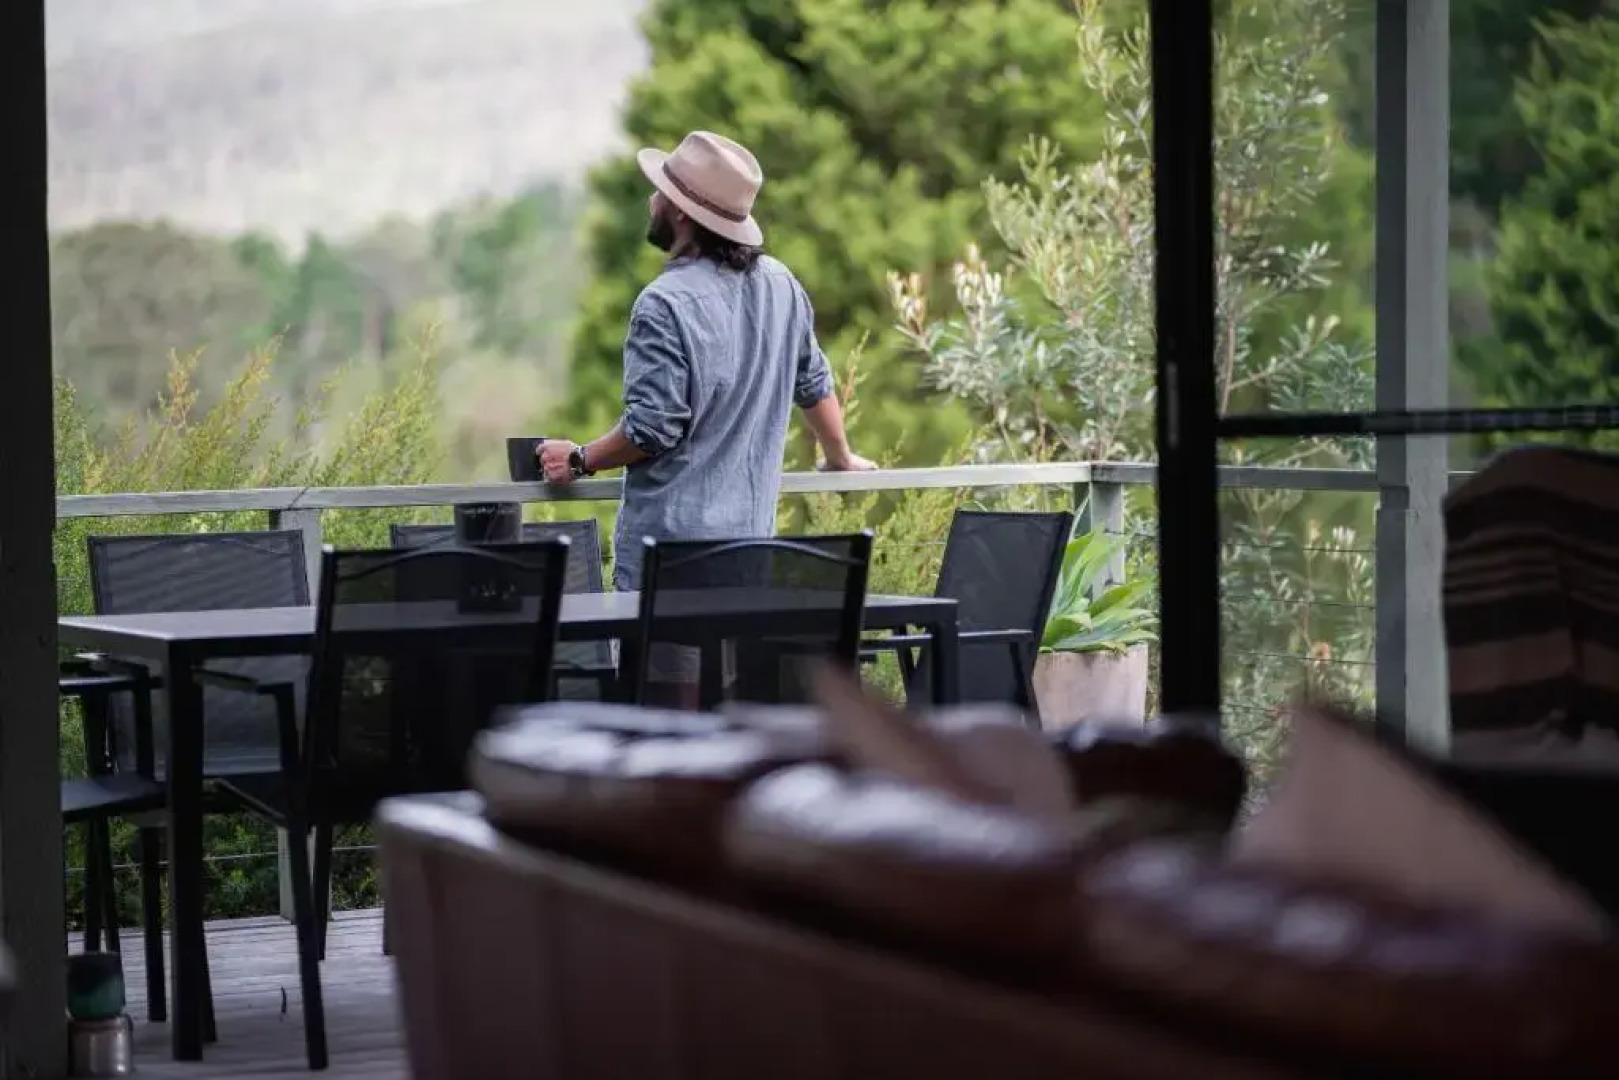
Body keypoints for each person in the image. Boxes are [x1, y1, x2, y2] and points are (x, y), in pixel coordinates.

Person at [540, 129, 873, 586]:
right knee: (733, 661)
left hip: (671, 566)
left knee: (653, 662)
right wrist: (840, 456)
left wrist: (579, 459)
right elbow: (813, 383)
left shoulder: (662, 303)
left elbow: (652, 428)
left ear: (679, 210)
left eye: (661, 190)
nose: (652, 199)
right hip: (750, 557)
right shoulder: (781, 285)